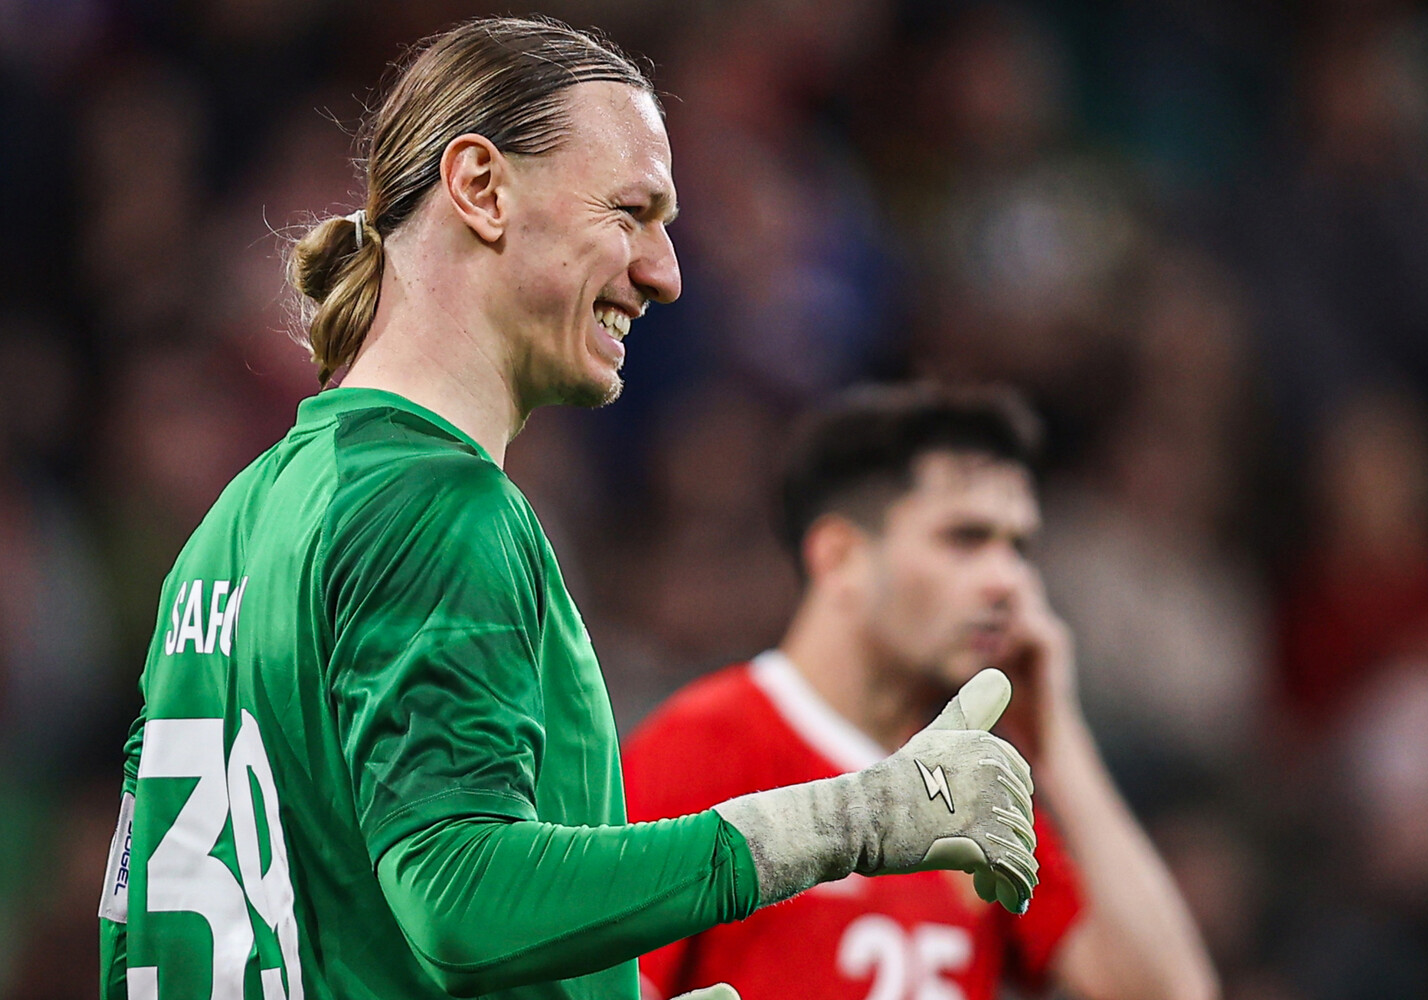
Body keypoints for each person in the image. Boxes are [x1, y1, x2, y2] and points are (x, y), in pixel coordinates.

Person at [97, 18, 1040, 1000]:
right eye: (630, 213)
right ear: (481, 187)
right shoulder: (434, 509)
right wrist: (853, 820)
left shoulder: (232, 528)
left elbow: (135, 935)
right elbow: (458, 897)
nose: (665, 272)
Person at [624, 383, 1221, 1000]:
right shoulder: (703, 745)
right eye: (966, 538)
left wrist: (1058, 741)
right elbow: (606, 981)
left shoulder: (974, 784)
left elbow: (1171, 994)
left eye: (1019, 548)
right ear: (840, 557)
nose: (1009, 581)